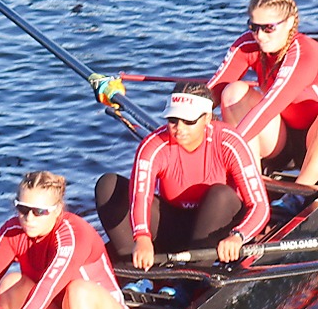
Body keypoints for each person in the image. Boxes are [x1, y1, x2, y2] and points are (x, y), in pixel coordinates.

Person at [93, 83, 269, 268]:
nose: (179, 129)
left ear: (207, 118)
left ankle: (193, 277)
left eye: (189, 121)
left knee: (221, 195)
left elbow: (260, 206)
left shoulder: (229, 141)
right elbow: (140, 196)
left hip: (219, 229)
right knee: (108, 185)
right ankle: (136, 271)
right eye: (173, 120)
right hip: (176, 227)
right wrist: (142, 236)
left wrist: (238, 236)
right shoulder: (153, 145)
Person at [0, 171, 136, 309]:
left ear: (57, 210)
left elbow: (50, 284)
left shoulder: (74, 235)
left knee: (78, 292)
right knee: (12, 283)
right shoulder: (12, 231)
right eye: (22, 208)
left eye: (39, 211)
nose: (29, 218)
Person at [208, 0, 318, 187]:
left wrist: (222, 152)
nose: (260, 36)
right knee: (233, 93)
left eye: (268, 28)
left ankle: (300, 191)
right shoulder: (248, 44)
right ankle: (249, 184)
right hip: (284, 141)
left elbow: (269, 107)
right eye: (253, 26)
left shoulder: (305, 55)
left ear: (289, 22)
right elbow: (210, 93)